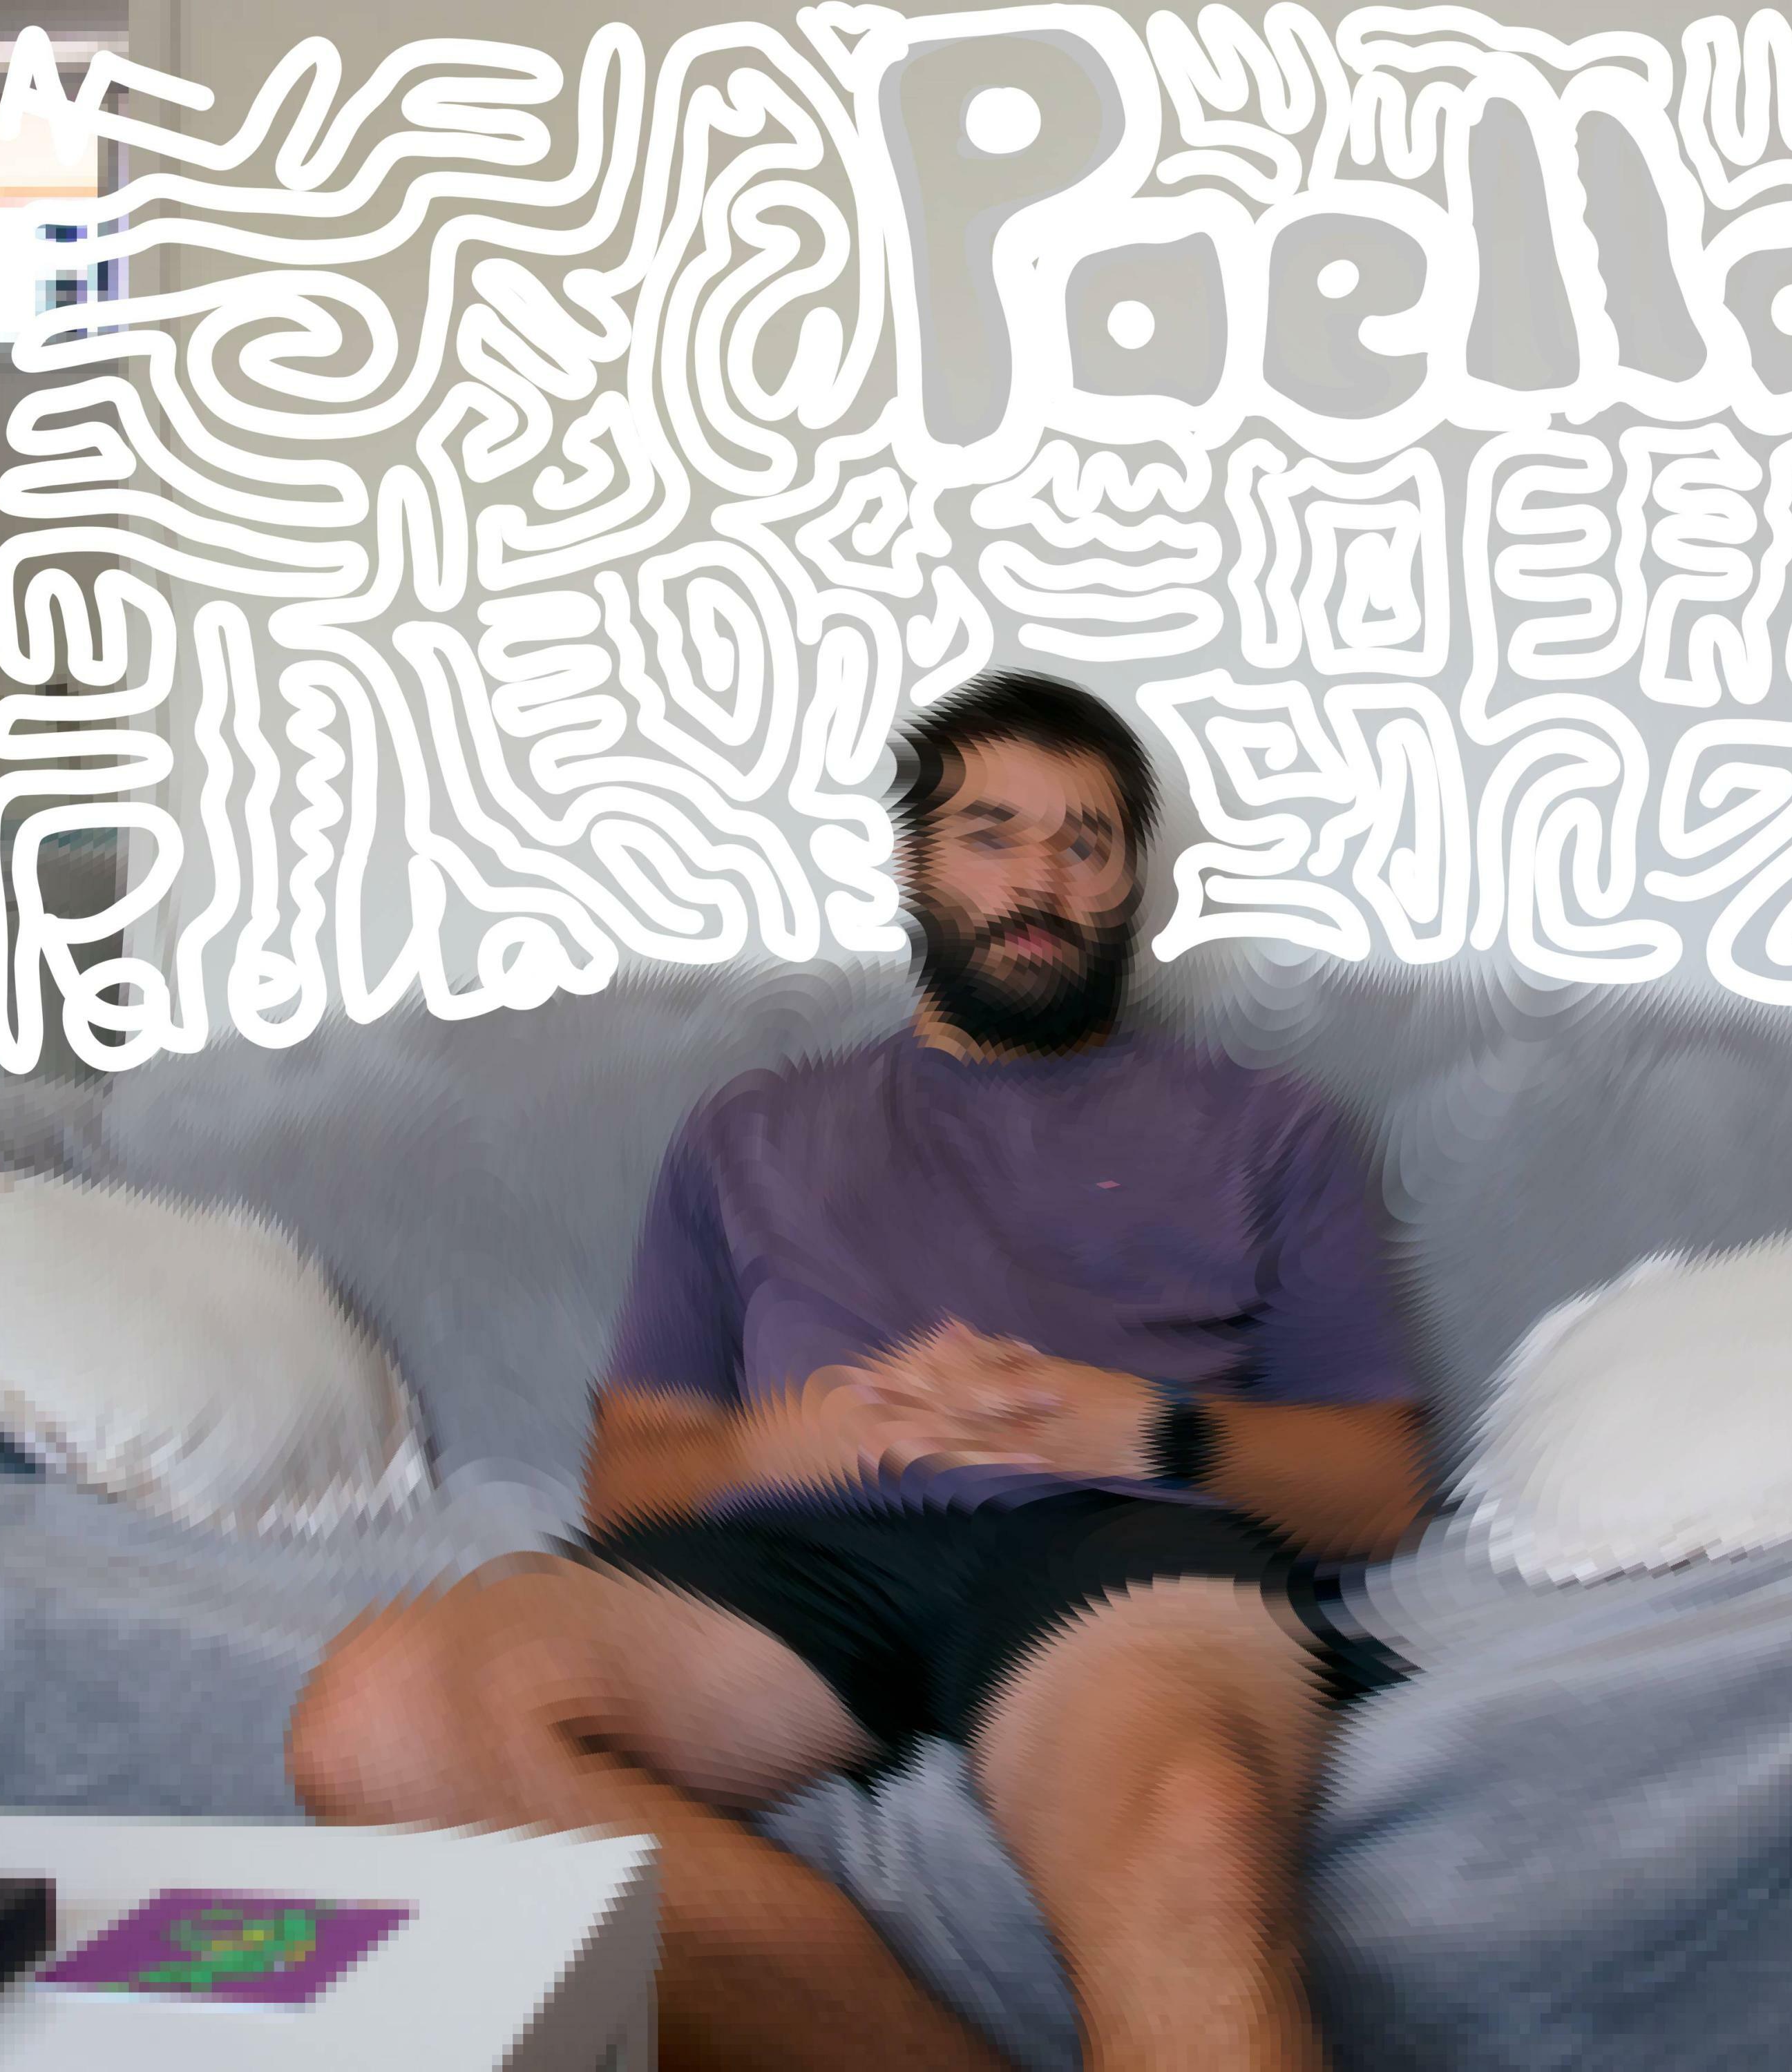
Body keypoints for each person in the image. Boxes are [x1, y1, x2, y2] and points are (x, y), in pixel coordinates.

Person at [286, 670, 1428, 2072]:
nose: (1039, 881)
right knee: (384, 1720)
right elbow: (628, 1479)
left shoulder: (1274, 1129)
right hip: (802, 1561)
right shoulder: (749, 1132)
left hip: (1124, 1546)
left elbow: (1378, 1488)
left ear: (1134, 884)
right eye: (992, 835)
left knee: (1189, 1816)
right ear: (914, 864)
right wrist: (769, 1451)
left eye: (1085, 844)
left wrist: (1152, 1434)